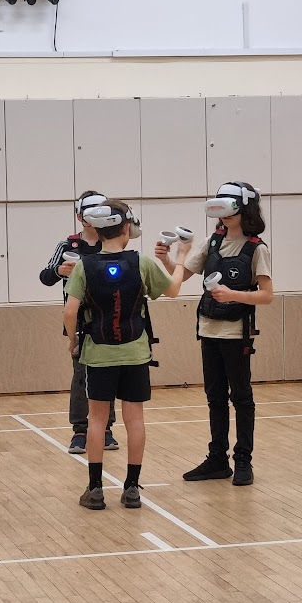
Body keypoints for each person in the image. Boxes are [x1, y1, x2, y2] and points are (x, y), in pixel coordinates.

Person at [64, 199, 189, 510]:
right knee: (135, 420)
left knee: (96, 419)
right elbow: (173, 290)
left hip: (98, 354)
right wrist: (182, 257)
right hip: (135, 353)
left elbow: (70, 311)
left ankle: (95, 489)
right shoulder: (141, 262)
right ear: (126, 228)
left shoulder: (84, 266)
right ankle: (132, 488)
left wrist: (73, 341)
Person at [156, 181, 273, 486]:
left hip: (236, 333)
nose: (224, 213)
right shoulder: (212, 242)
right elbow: (181, 274)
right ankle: (217, 459)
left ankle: (243, 460)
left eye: (229, 206)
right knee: (215, 397)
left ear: (244, 209)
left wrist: (233, 295)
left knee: (241, 397)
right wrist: (166, 258)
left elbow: (267, 295)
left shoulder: (256, 248)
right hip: (208, 329)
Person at [40, 191, 118, 454]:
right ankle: (80, 430)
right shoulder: (67, 246)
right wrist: (59, 271)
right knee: (81, 376)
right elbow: (45, 276)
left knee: (108, 374)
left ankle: (106, 428)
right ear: (79, 216)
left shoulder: (112, 243)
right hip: (79, 321)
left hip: (109, 319)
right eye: (89, 213)